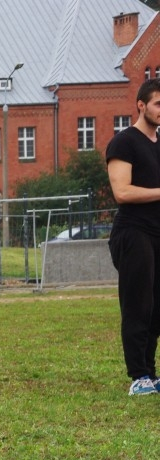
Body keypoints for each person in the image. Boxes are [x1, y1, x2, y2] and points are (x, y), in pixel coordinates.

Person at [106, 78, 160, 396]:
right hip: (132, 233)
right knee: (138, 304)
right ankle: (137, 376)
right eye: (158, 103)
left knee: (157, 306)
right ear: (141, 105)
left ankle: (151, 374)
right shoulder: (124, 142)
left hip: (157, 233)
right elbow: (122, 192)